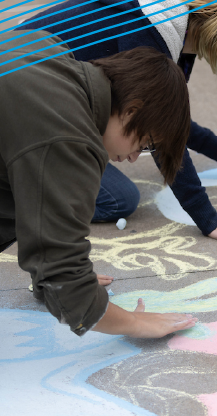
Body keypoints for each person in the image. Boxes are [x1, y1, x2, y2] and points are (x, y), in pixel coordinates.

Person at [17, 0, 217, 248]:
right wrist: (210, 220)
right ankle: (18, 196)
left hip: (36, 97)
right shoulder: (149, 36)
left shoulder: (168, 19)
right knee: (118, 199)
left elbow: (168, 121)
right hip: (24, 112)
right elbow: (159, 134)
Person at [0, 30, 197, 338]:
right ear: (132, 110)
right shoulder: (69, 139)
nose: (134, 158)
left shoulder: (44, 47)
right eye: (144, 143)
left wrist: (49, 271)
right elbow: (65, 280)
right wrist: (134, 323)